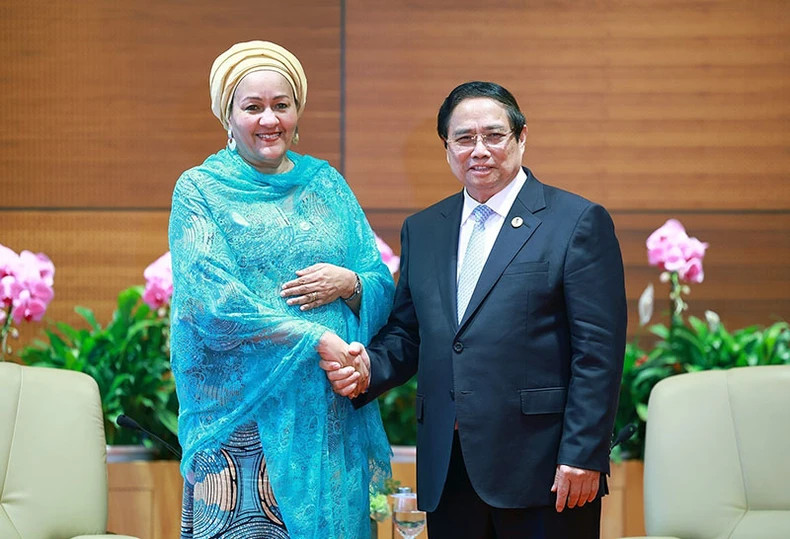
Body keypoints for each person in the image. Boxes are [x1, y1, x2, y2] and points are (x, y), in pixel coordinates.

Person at [321, 81, 627, 538]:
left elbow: (598, 353)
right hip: (449, 466)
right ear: (447, 148)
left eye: (494, 135)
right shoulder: (424, 229)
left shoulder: (577, 222)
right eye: (464, 138)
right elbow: (410, 333)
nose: (479, 150)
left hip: (544, 469)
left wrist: (583, 454)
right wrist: (367, 368)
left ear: (522, 138)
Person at [168, 40, 394, 538]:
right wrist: (313, 337)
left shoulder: (327, 183)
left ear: (298, 111)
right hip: (245, 424)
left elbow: (380, 279)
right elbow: (211, 302)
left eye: (281, 105)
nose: (269, 120)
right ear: (227, 115)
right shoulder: (199, 189)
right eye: (252, 107)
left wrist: (352, 284)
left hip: (330, 412)